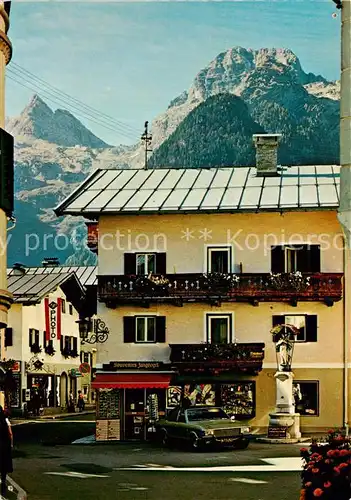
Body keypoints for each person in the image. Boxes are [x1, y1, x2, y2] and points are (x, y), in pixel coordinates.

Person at [0, 406, 13, 498]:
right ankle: (3, 481)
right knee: (4, 465)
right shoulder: (5, 421)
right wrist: (11, 444)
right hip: (4, 446)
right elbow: (10, 434)